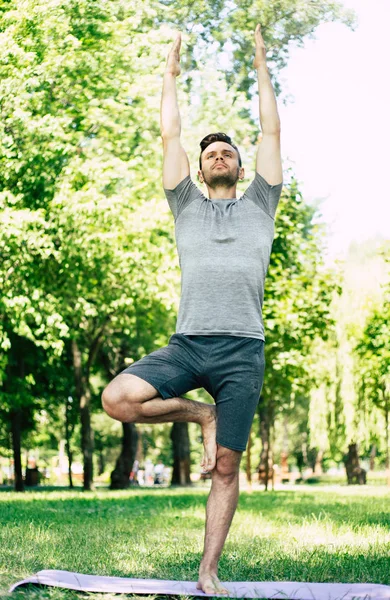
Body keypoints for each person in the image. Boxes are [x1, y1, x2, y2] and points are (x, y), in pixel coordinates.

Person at [102, 23, 283, 595]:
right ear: (200, 172)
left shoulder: (263, 201)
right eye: (211, 153)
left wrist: (259, 62)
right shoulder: (184, 204)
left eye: (228, 149)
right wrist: (169, 74)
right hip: (189, 343)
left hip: (242, 351)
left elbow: (272, 129)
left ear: (240, 165)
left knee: (225, 467)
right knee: (118, 399)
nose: (220, 154)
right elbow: (168, 133)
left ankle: (208, 573)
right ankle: (201, 415)